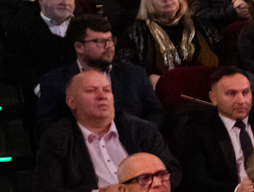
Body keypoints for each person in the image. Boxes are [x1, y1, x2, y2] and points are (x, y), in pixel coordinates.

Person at [34, 69, 178, 192]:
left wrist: (135, 191)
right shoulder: (57, 138)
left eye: (107, 90)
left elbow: (172, 171)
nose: (102, 96)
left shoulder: (142, 130)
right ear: (72, 102)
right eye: (91, 91)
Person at [35, 15, 163, 130]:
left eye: (110, 39)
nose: (109, 46)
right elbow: (46, 126)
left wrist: (138, 137)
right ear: (79, 47)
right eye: (100, 42)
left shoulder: (134, 74)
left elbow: (155, 113)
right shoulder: (55, 81)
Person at [176, 68, 254, 192]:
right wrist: (237, 190)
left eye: (245, 92)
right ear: (213, 98)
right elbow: (196, 183)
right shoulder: (197, 132)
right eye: (231, 94)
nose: (241, 100)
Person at [130, 0, 219, 79]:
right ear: (148, 3)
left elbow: (224, 51)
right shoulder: (138, 31)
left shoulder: (198, 23)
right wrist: (147, 78)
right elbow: (129, 69)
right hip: (162, 86)